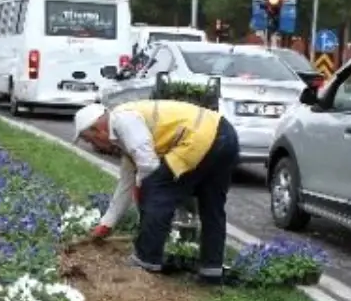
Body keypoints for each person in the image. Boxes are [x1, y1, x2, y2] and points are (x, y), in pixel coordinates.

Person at [72, 99, 240, 284]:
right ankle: (211, 271)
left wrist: (142, 187)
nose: (93, 145)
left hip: (200, 138)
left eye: (89, 139)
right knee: (212, 205)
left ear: (99, 129)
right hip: (224, 134)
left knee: (156, 191)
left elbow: (148, 165)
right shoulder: (123, 137)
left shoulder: (123, 121)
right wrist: (107, 224)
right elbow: (125, 184)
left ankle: (146, 261)